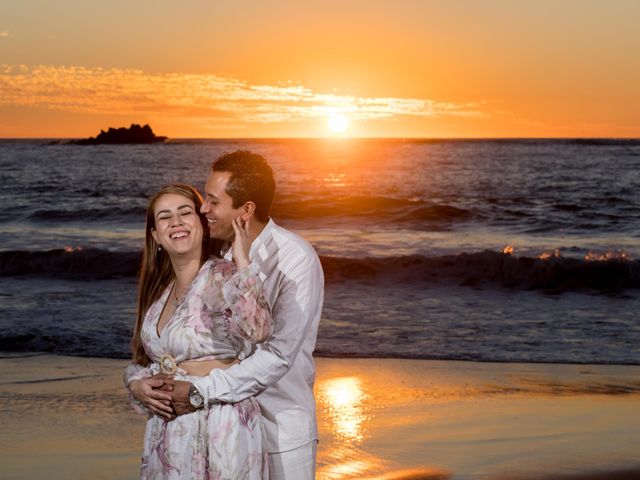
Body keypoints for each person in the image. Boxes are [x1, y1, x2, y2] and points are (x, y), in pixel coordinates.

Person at [166, 151, 325, 479]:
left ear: (246, 210)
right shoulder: (216, 257)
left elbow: (278, 356)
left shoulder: (295, 260)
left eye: (212, 201)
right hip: (222, 428)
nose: (203, 209)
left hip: (277, 429)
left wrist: (201, 391)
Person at [123, 183, 272, 479]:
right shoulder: (159, 292)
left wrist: (243, 262)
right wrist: (137, 385)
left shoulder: (222, 276)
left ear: (202, 224)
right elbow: (147, 360)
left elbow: (258, 329)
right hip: (168, 434)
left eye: (185, 212)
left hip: (219, 425)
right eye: (164, 217)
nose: (176, 222)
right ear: (156, 236)